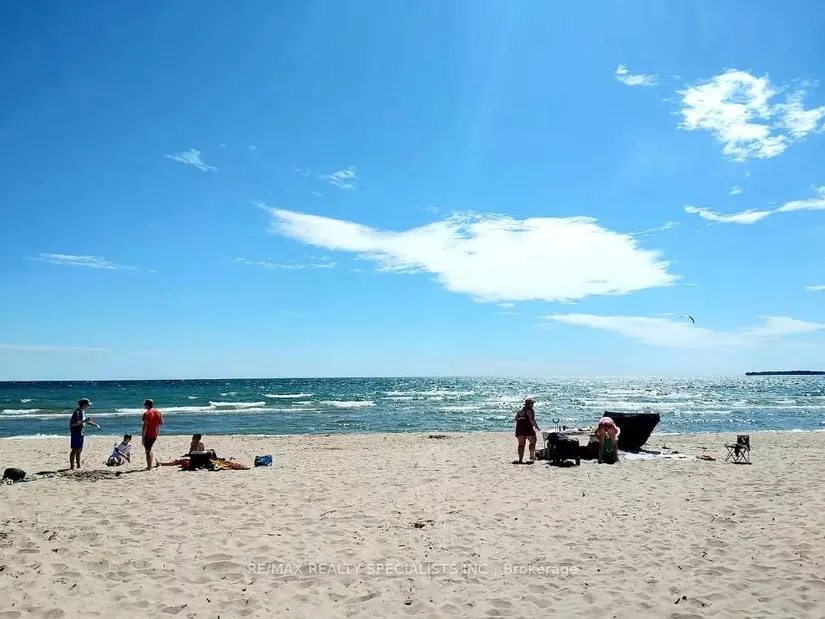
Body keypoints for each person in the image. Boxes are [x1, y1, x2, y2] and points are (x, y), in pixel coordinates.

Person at [69, 398, 100, 470]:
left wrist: (95, 424)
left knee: (80, 449)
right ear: (84, 404)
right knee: (74, 449)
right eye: (87, 405)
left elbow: (86, 421)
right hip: (75, 433)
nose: (88, 406)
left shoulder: (83, 412)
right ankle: (72, 466)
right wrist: (84, 421)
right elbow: (73, 424)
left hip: (81, 432)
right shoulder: (77, 412)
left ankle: (78, 465)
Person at [513, 398, 540, 464]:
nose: (533, 405)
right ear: (530, 404)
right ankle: (532, 456)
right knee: (533, 441)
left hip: (519, 428)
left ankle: (520, 460)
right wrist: (537, 427)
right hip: (528, 428)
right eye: (532, 403)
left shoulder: (520, 410)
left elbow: (516, 419)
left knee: (521, 444)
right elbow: (532, 419)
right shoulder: (530, 410)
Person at [141, 399, 164, 470]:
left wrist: (142, 437)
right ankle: (150, 464)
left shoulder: (146, 414)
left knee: (147, 451)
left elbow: (144, 427)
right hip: (155, 434)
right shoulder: (158, 412)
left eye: (145, 405)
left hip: (148, 434)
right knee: (149, 449)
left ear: (147, 405)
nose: (144, 406)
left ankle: (149, 466)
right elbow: (161, 422)